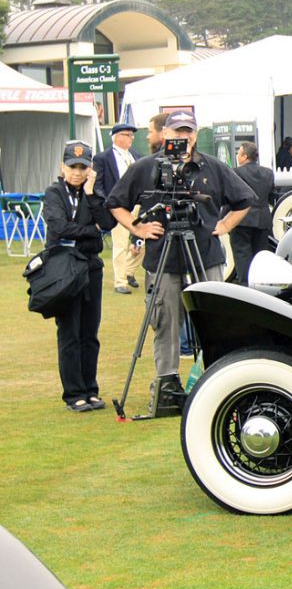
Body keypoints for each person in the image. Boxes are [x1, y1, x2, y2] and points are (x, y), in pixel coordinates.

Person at [107, 110, 257, 403]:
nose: (182, 138)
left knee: (214, 319)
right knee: (165, 320)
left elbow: (245, 199)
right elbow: (115, 202)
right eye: (176, 132)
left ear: (196, 134)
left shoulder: (212, 167)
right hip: (163, 257)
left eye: (188, 132)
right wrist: (137, 227)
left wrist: (225, 225)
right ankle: (166, 384)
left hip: (205, 255)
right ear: (164, 134)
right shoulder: (145, 167)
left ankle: (217, 379)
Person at [42, 140, 116, 412]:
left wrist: (91, 194)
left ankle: (90, 389)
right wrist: (89, 232)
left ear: (89, 169)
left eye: (82, 167)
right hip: (64, 270)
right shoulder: (54, 193)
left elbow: (108, 223)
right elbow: (59, 227)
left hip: (90, 268)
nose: (77, 172)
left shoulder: (92, 194)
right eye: (72, 167)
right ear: (63, 167)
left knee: (89, 332)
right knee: (69, 332)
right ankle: (74, 393)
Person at [93, 122, 143, 294]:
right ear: (117, 137)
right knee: (120, 244)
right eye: (128, 135)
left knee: (144, 241)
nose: (131, 138)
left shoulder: (136, 155)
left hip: (137, 205)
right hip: (119, 206)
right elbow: (98, 184)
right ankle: (120, 281)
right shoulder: (103, 158)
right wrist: (108, 202)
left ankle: (129, 271)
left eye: (132, 135)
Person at [230, 141, 276, 284]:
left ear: (244, 156)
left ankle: (245, 286)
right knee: (260, 256)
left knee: (242, 255)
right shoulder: (268, 173)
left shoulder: (235, 172)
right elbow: (272, 196)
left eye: (239, 153)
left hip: (241, 219)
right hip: (262, 220)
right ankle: (260, 286)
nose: (237, 156)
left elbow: (231, 197)